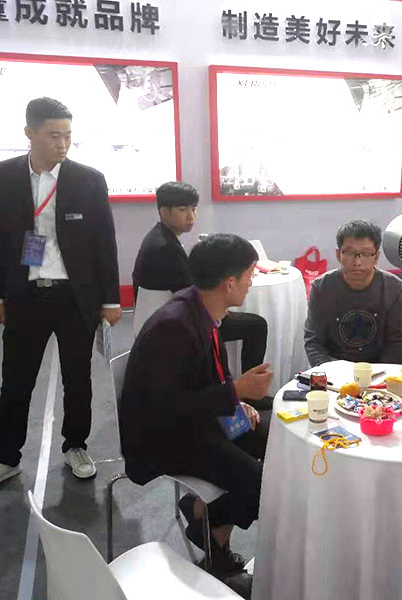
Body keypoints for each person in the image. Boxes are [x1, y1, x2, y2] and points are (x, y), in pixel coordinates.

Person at [0, 97, 121, 496]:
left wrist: (110, 300)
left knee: (78, 380)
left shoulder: (89, 180)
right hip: (25, 296)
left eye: (68, 135)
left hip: (75, 298)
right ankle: (5, 458)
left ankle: (76, 446)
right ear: (29, 133)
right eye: (54, 135)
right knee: (15, 382)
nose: (63, 144)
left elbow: (105, 243)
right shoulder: (3, 176)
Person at [119, 234, 273, 578]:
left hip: (198, 419)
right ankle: (213, 532)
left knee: (274, 442)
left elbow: (207, 375)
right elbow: (167, 408)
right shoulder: (174, 325)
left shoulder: (200, 308)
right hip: (164, 438)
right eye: (250, 275)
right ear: (229, 282)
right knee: (261, 482)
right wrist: (236, 391)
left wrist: (236, 401)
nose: (251, 282)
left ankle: (205, 517)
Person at [132, 181, 268, 375]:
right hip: (176, 324)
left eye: (194, 209)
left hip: (160, 316)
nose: (191, 216)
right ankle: (250, 386)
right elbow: (196, 294)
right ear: (163, 211)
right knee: (256, 325)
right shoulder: (165, 248)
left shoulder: (159, 237)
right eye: (182, 210)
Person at [304, 220, 402, 366]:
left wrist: (378, 374)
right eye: (350, 253)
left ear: (376, 257)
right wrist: (328, 371)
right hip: (333, 368)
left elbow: (396, 343)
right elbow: (314, 341)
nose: (357, 262)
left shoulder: (393, 289)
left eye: (366, 254)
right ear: (338, 255)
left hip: (379, 371)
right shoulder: (322, 288)